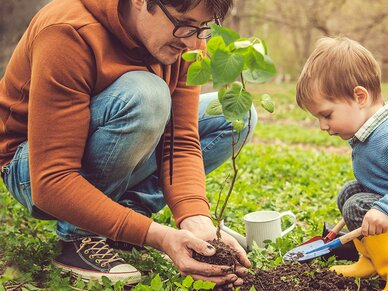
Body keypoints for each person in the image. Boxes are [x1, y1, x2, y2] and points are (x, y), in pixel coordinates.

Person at [0, 0, 255, 286]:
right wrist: (158, 236)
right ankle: (78, 235)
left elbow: (180, 141)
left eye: (202, 28)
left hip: (104, 143)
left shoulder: (187, 42)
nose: (193, 41)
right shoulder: (67, 31)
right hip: (31, 168)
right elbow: (52, 179)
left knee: (236, 115)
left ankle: (124, 220)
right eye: (184, 24)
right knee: (148, 96)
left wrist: (196, 219)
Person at [296, 36, 388, 288]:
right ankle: (370, 259)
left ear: (360, 97)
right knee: (349, 192)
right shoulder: (368, 132)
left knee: (358, 205)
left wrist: (383, 208)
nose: (323, 126)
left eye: (327, 115)